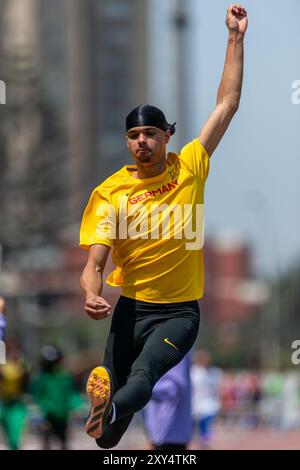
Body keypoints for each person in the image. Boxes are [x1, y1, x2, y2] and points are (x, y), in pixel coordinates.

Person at [79, 4, 248, 449]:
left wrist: (235, 38)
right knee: (107, 441)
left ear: (166, 136)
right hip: (129, 312)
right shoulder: (111, 192)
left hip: (178, 312)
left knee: (145, 374)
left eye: (151, 134)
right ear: (127, 141)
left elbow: (227, 103)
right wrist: (91, 293)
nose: (142, 142)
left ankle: (112, 404)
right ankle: (108, 411)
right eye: (135, 136)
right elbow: (94, 261)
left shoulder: (190, 165)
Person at [30, 345, 82, 450]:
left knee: (63, 441)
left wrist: (76, 405)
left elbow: (72, 392)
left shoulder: (64, 375)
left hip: (63, 414)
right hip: (48, 415)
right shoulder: (42, 376)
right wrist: (45, 406)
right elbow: (37, 393)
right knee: (46, 441)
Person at [143, 351, 193, 450]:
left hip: (170, 432)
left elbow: (174, 387)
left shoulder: (175, 345)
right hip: (163, 432)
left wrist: (141, 389)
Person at [191, 350, 223, 449]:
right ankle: (201, 444)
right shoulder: (193, 372)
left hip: (209, 406)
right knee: (195, 431)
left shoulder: (214, 372)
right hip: (196, 406)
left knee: (206, 430)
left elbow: (218, 389)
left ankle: (205, 445)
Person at [0, 340, 28, 450]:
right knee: (8, 435)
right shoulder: (3, 365)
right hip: (4, 404)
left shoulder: (20, 366)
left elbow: (23, 379)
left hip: (16, 404)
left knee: (15, 436)